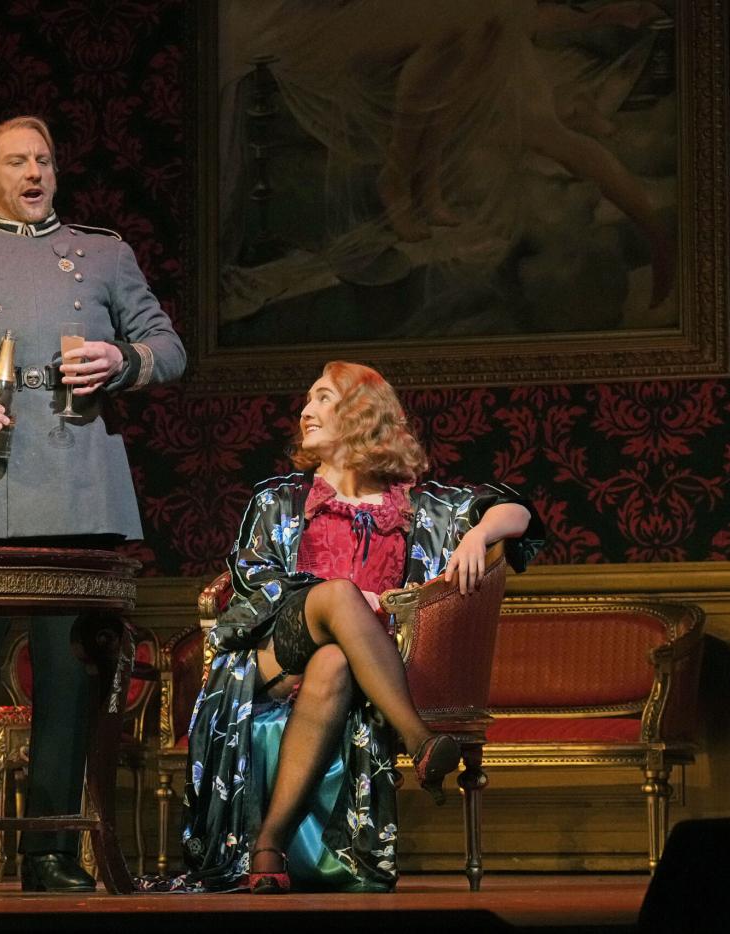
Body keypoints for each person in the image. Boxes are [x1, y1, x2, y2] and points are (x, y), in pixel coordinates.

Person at [0, 115, 186, 891]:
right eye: (17, 161)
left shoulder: (106, 252)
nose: (34, 172)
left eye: (44, 159)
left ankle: (49, 849)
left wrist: (124, 358)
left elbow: (170, 347)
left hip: (80, 481)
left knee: (69, 678)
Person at [177, 361, 544, 893]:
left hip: (356, 667)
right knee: (341, 597)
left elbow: (520, 513)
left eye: (323, 398)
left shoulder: (418, 506)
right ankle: (420, 741)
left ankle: (269, 845)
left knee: (335, 659)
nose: (306, 410)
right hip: (271, 655)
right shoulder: (278, 499)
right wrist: (339, 602)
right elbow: (253, 589)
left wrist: (476, 533)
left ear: (363, 415)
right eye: (307, 400)